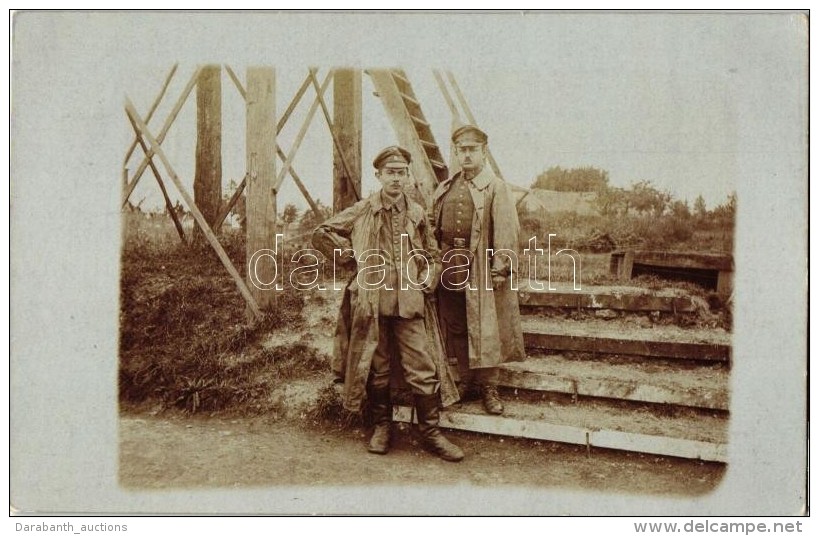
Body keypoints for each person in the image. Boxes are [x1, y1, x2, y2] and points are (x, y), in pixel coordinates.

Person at [312, 145, 464, 462]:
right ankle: (381, 427)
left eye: (401, 172)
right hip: (373, 304)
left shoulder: (418, 213)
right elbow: (323, 232)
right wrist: (353, 258)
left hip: (410, 303)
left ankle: (430, 433)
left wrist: (430, 274)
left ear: (408, 176)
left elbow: (434, 255)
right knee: (377, 369)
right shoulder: (363, 210)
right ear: (379, 176)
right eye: (390, 173)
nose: (396, 178)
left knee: (422, 367)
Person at [431, 125, 526, 415]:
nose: (467, 154)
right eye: (462, 149)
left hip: (481, 267)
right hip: (449, 264)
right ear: (456, 152)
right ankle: (467, 380)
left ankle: (489, 388)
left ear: (483, 151)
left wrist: (501, 267)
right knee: (457, 324)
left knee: (487, 327)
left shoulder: (496, 187)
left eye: (473, 149)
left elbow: (508, 231)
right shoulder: (446, 187)